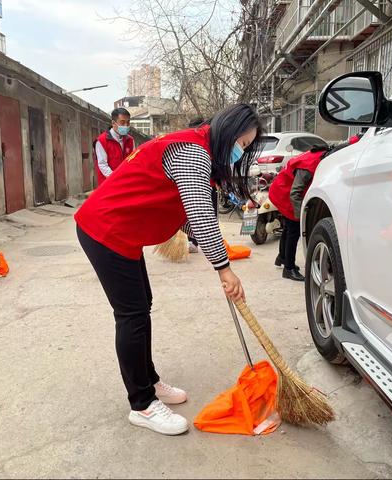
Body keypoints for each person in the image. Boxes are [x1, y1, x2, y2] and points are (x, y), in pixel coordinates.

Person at [75, 103, 263, 436]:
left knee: (140, 307)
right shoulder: (193, 151)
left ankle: (149, 381)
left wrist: (214, 254)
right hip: (105, 230)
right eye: (242, 144)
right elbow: (202, 215)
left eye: (246, 148)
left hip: (123, 232)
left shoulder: (196, 145)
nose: (240, 152)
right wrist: (224, 268)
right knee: (131, 314)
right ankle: (142, 405)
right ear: (228, 131)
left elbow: (188, 215)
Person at [269, 134, 361, 282]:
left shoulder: (325, 153)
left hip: (283, 190)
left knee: (287, 227)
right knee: (293, 230)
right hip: (284, 193)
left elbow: (345, 144)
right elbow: (295, 193)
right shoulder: (310, 165)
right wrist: (300, 218)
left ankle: (282, 258)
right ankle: (289, 268)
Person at [186, 117, 219, 254]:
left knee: (210, 215)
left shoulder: (210, 143)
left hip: (210, 185)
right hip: (193, 185)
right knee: (192, 215)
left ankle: (210, 242)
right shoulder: (188, 144)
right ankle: (192, 241)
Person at [94, 107, 134, 186]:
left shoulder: (130, 140)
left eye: (128, 122)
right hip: (108, 184)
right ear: (113, 123)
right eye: (122, 122)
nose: (126, 125)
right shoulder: (102, 141)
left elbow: (132, 161)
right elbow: (103, 165)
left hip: (126, 183)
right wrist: (116, 179)